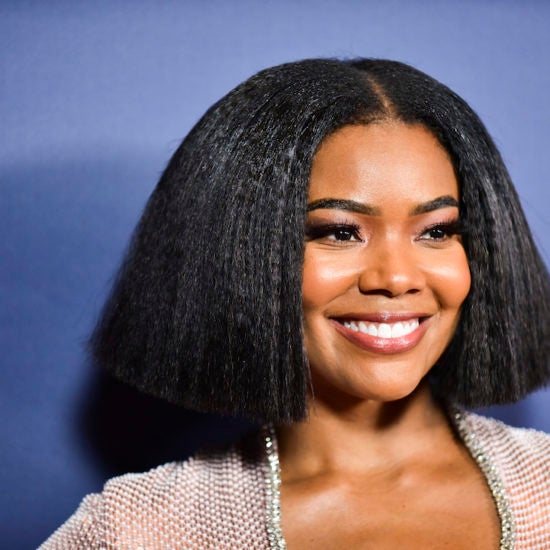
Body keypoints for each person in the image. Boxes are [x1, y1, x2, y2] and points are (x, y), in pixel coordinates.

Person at [41, 58, 550, 549]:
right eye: (339, 232)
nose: (397, 278)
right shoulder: (136, 531)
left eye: (436, 231)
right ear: (243, 255)